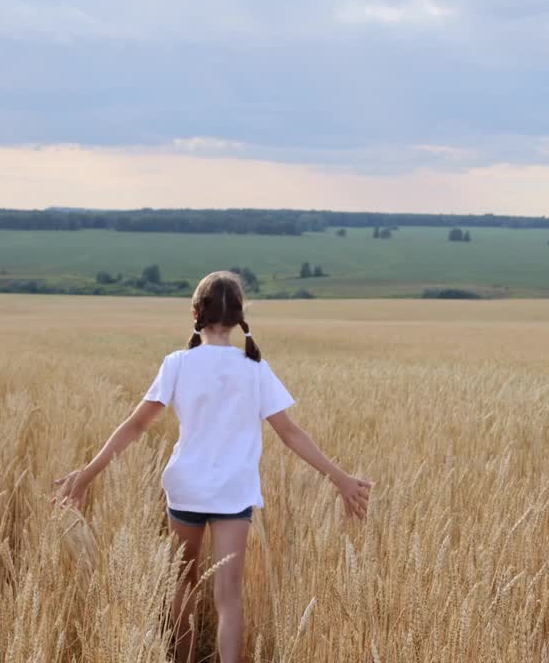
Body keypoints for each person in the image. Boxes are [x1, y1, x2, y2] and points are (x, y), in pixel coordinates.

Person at [53, 270, 372, 663]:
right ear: (240, 318)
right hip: (232, 492)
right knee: (229, 597)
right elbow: (290, 433)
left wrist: (85, 475)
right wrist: (340, 479)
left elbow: (135, 426)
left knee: (182, 585)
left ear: (194, 313)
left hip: (186, 487)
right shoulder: (255, 369)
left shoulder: (177, 364)